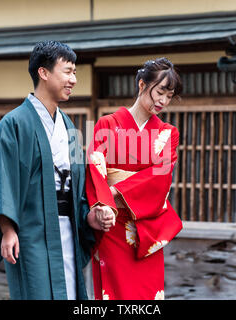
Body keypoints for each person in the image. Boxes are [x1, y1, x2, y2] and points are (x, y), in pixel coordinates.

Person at [0, 40, 112, 300]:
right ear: (44, 72)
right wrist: (7, 229)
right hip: (31, 231)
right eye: (68, 71)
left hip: (68, 231)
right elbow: (0, 180)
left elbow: (78, 188)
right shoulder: (13, 125)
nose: (73, 79)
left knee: (71, 294)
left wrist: (90, 216)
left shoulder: (70, 128)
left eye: (75, 73)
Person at [86, 57, 184, 300]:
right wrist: (104, 206)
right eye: (160, 92)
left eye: (169, 96)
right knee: (113, 292)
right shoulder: (107, 124)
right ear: (142, 85)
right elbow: (95, 168)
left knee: (146, 294)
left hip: (145, 230)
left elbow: (160, 178)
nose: (163, 101)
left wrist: (115, 193)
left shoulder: (167, 133)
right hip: (112, 224)